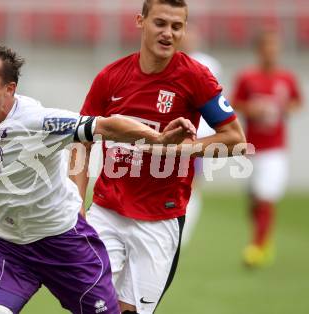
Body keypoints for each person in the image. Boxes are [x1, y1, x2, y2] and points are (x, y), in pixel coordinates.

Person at [0, 43, 196, 314]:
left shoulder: (40, 122)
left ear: (10, 88)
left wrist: (158, 137)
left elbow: (106, 125)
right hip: (10, 249)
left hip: (64, 246)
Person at [70, 1, 246, 313]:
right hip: (107, 212)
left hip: (160, 221)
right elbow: (81, 141)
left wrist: (180, 149)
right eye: (160, 23)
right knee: (89, 304)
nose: (168, 33)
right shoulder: (110, 78)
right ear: (141, 21)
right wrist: (75, 202)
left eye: (176, 26)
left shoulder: (195, 77)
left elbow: (235, 139)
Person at [232, 29, 302, 268]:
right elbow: (234, 103)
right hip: (251, 148)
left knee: (265, 197)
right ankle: (264, 240)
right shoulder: (247, 78)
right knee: (253, 200)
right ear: (259, 50)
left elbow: (296, 103)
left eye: (275, 47)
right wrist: (252, 109)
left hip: (275, 150)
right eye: (267, 47)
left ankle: (257, 247)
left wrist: (284, 109)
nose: (271, 51)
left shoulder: (287, 78)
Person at [179, 24, 222, 245]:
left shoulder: (208, 65)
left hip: (199, 136)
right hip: (173, 135)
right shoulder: (169, 62)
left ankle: (182, 231)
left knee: (191, 183)